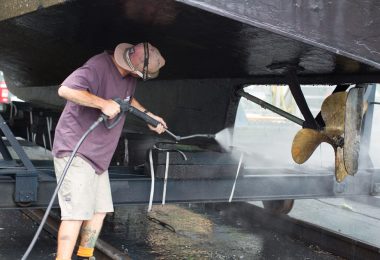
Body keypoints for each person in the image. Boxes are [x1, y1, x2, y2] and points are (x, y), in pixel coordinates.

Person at [52, 42, 166, 260]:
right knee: (75, 214)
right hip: (76, 149)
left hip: (99, 155)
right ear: (134, 68)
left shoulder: (128, 76)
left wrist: (148, 117)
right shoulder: (97, 66)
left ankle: (86, 255)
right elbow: (65, 89)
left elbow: (127, 100)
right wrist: (102, 103)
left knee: (99, 209)